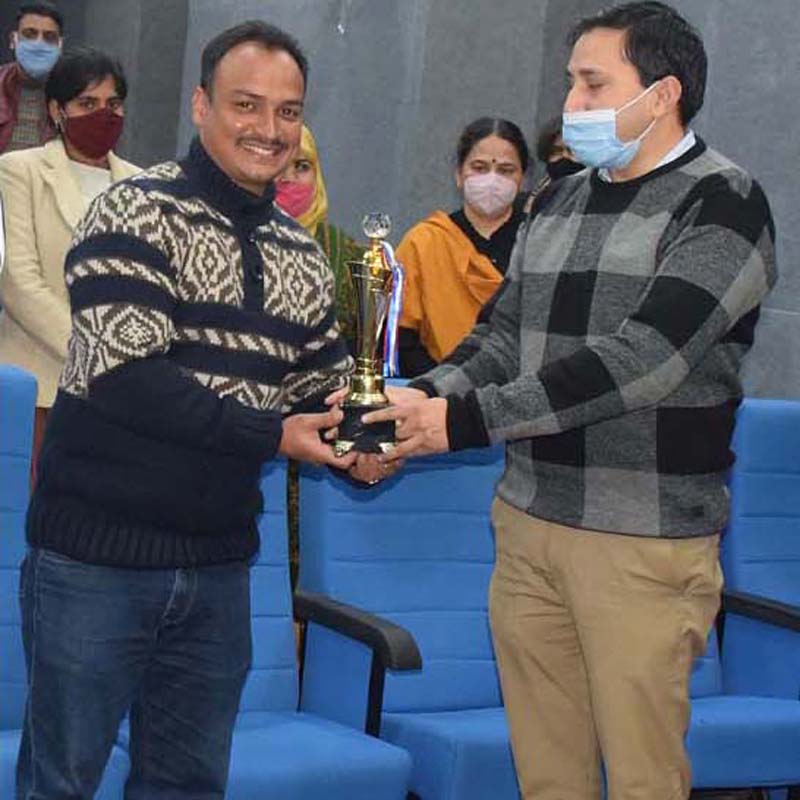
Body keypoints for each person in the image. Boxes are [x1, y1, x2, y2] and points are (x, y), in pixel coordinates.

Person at [367, 3, 777, 798]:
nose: (572, 104)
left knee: (641, 779)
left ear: (661, 94)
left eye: (593, 83)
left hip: (640, 541)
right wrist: (404, 407)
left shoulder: (722, 201)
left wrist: (459, 423)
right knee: (547, 776)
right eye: (570, 83)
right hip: (528, 526)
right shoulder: (554, 202)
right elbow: (496, 342)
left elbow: (644, 360)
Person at [16, 20, 386, 800]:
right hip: (97, 561)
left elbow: (318, 381)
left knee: (186, 784)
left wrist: (370, 433)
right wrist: (272, 433)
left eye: (289, 112)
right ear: (199, 105)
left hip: (218, 568)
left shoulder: (301, 253)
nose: (269, 130)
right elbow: (127, 376)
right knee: (62, 780)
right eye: (247, 105)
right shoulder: (132, 211)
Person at [0, 46, 138, 483]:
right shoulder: (18, 170)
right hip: (36, 386)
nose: (104, 114)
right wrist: (95, 352)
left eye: (113, 104)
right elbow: (20, 283)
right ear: (57, 110)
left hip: (118, 395)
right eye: (87, 103)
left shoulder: (142, 185)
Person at [395, 117, 529, 377]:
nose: (492, 180)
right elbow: (400, 338)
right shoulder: (423, 243)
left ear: (522, 178)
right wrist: (443, 389)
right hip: (435, 396)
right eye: (479, 168)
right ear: (458, 174)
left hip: (516, 397)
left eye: (505, 170)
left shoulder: (538, 240)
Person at [275, 123, 361, 350]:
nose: (289, 177)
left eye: (302, 166)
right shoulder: (225, 238)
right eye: (279, 163)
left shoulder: (345, 251)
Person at [0, 2, 63, 154]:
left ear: (60, 45)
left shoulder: (72, 94)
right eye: (30, 34)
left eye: (49, 37)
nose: (39, 43)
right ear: (13, 40)